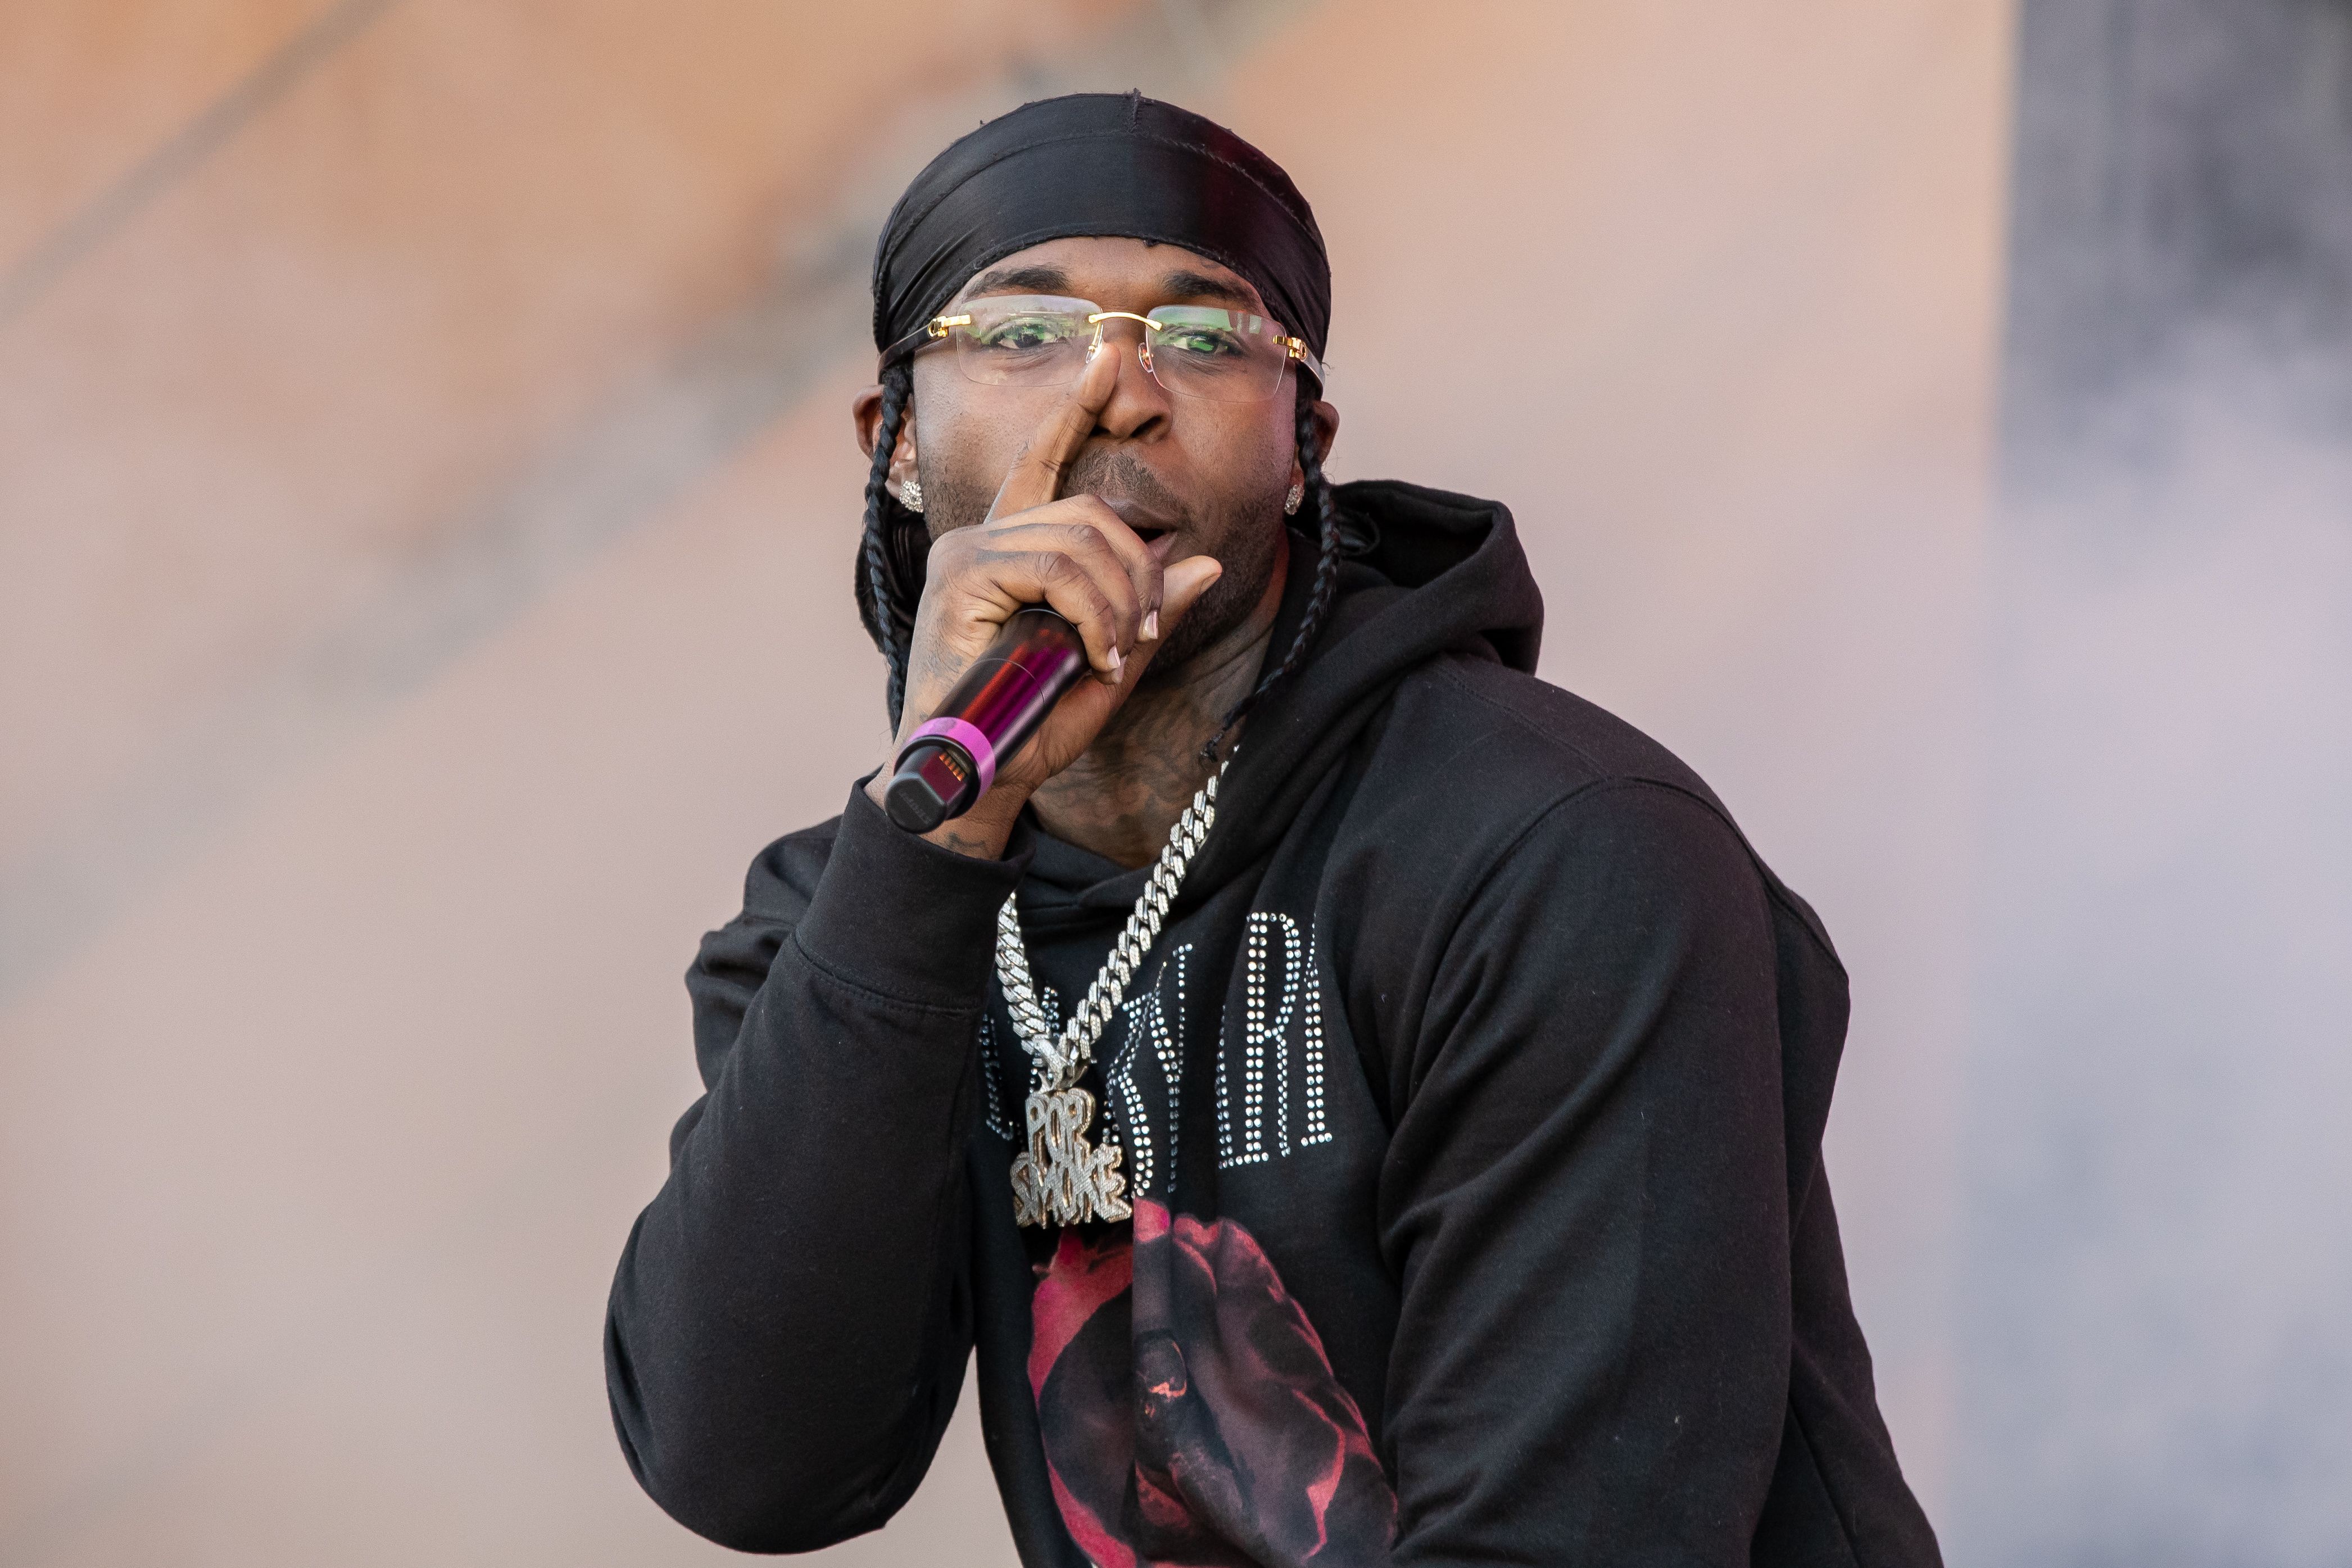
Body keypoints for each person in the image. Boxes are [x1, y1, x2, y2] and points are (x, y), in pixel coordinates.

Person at [604, 91, 1942, 1567]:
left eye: (1200, 336)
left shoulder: (1553, 850)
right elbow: (751, 1469)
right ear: (896, 442)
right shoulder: (853, 912)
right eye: (1021, 333)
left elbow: (1564, 1537)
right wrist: (931, 850)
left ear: (1304, 438)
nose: (1113, 394)